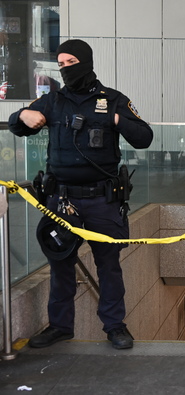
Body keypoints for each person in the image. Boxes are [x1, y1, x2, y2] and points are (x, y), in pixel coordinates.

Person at [8, 39, 153, 349]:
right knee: (61, 265)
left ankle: (115, 326)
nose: (65, 69)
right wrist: (21, 115)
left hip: (102, 200)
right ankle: (60, 326)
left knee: (109, 266)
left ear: (86, 62)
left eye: (70, 63)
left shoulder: (113, 99)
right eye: (60, 65)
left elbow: (144, 137)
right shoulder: (52, 101)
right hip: (61, 201)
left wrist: (115, 120)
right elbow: (18, 128)